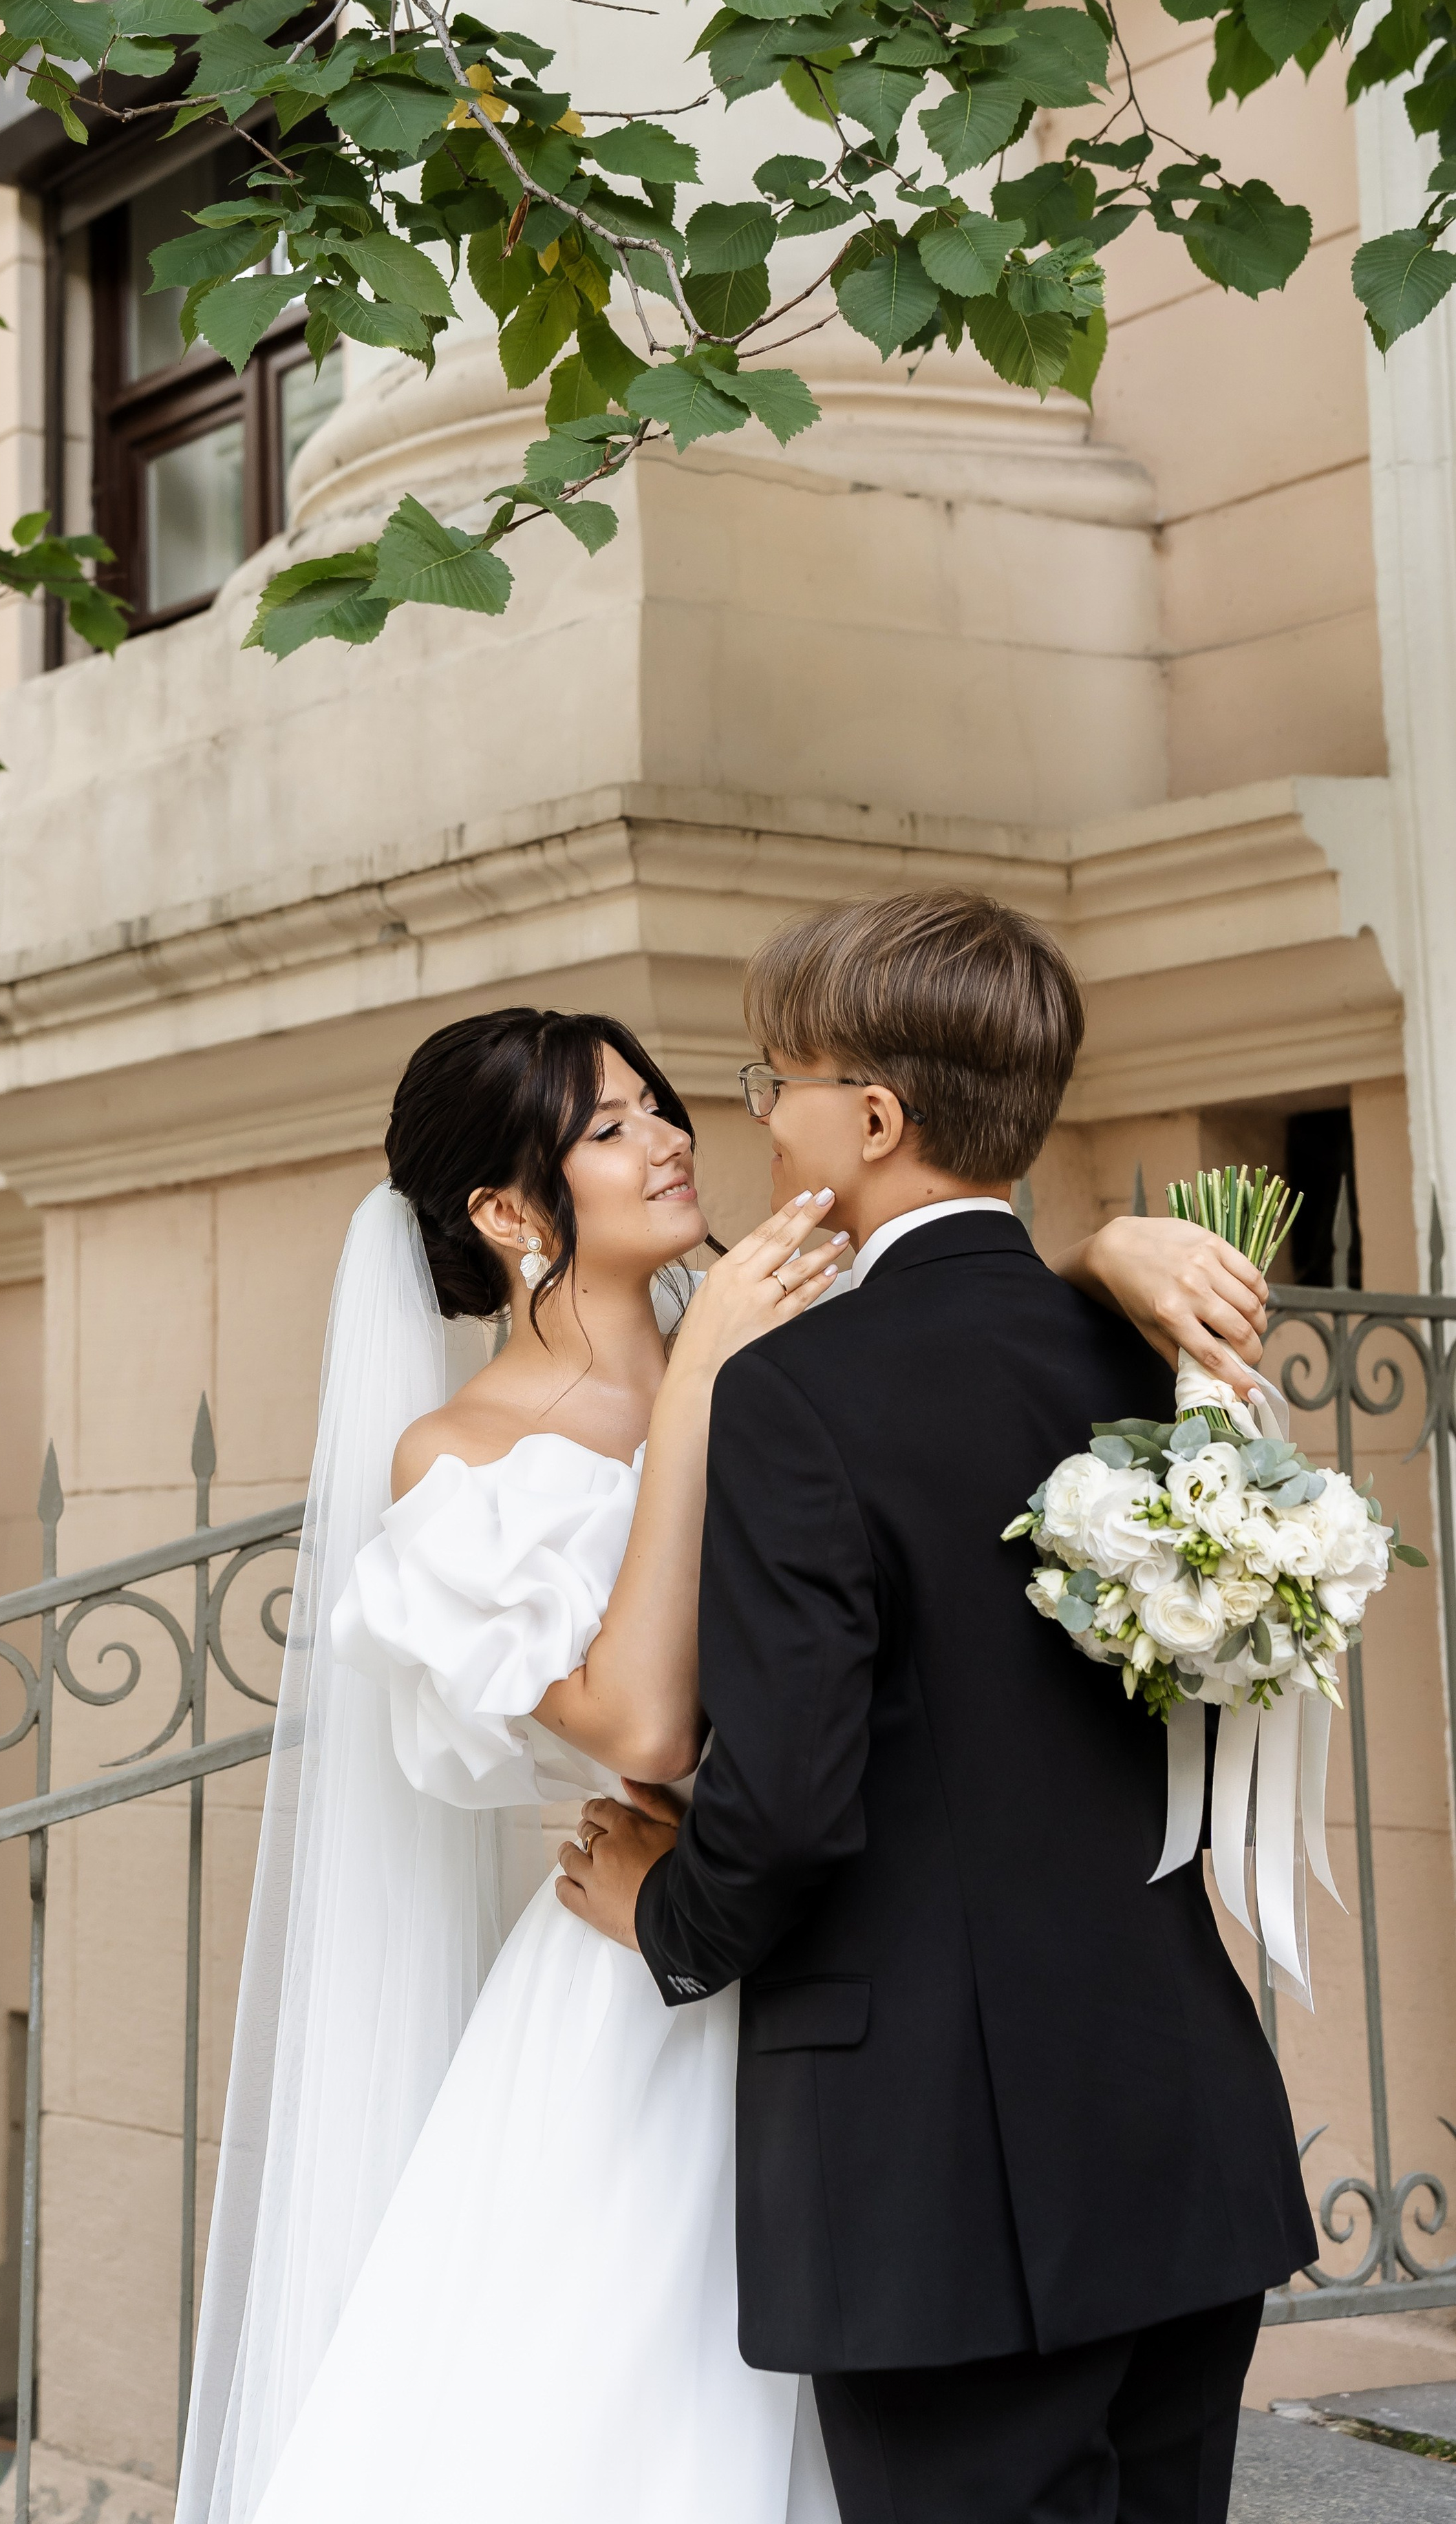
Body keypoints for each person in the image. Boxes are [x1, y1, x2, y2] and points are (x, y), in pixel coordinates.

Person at [178, 976, 1278, 2524]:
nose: (670, 1140)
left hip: (878, 1962)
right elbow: (640, 1722)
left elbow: (956, 1327)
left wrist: (1099, 1250)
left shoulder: (805, 1344)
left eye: (660, 1105)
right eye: (606, 1127)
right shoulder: (462, 1457)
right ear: (505, 1210)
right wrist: (696, 1387)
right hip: (650, 1972)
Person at [561, 891, 1316, 2524]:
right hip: (1181, 2126)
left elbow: (786, 1801)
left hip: (947, 2184)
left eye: (772, 1083)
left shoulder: (793, 1392)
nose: (756, 1123)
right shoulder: (1153, 1365)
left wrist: (662, 1914)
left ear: (873, 1119)